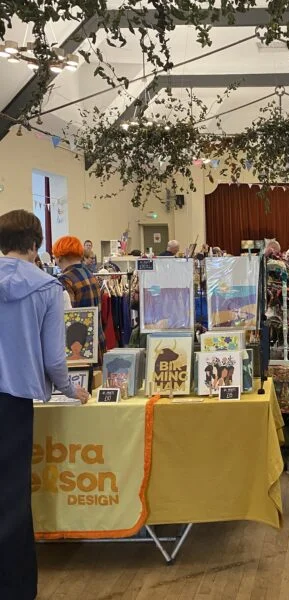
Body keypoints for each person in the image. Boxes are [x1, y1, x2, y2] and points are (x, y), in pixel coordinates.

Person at [0, 210, 90, 599]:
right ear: (36, 244)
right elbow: (55, 359)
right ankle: (16, 589)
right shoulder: (48, 288)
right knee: (12, 498)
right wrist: (72, 389)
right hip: (14, 402)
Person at [53, 235, 104, 352]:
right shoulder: (90, 274)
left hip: (79, 347)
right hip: (97, 341)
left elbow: (67, 317)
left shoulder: (65, 280)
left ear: (59, 257)